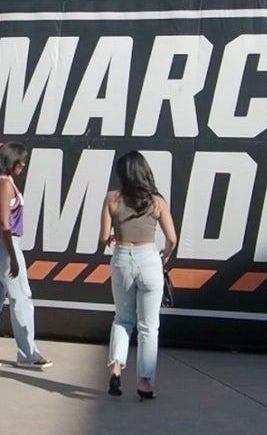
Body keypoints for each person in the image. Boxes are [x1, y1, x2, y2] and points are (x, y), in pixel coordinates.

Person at [99, 151, 177, 401]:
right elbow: (172, 238)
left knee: (123, 319)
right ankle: (144, 382)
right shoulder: (157, 201)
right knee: (149, 326)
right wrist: (165, 253)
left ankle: (116, 368)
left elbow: (103, 237)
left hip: (122, 256)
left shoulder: (112, 198)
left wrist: (112, 239)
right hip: (149, 258)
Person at [0, 142, 53, 372]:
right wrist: (13, 257)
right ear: (11, 162)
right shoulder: (4, 184)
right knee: (21, 298)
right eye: (20, 161)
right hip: (3, 246)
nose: (23, 165)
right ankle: (28, 354)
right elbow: (4, 224)